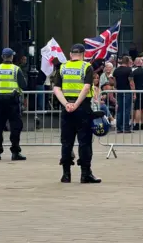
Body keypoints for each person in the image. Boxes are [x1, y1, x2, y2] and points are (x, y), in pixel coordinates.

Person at [52, 44, 101, 183]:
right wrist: (76, 104)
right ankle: (85, 174)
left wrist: (66, 104)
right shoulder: (86, 67)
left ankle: (66, 174)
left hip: (66, 108)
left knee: (66, 142)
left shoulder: (63, 67)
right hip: (82, 108)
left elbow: (56, 89)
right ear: (83, 54)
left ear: (70, 54)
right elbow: (86, 88)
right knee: (84, 142)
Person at [0, 48, 27, 161]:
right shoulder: (16, 69)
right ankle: (15, 152)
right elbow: (24, 85)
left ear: (2, 57)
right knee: (15, 127)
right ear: (12, 57)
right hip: (13, 102)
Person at [112, 56, 133, 133]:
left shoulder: (116, 70)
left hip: (119, 91)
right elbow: (131, 82)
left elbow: (114, 83)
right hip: (127, 91)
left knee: (119, 109)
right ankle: (126, 127)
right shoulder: (129, 70)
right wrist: (134, 93)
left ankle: (119, 128)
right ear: (127, 62)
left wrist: (116, 88)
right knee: (127, 109)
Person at [130, 57, 143, 130]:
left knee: (138, 108)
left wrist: (134, 93)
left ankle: (138, 124)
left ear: (136, 63)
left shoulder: (134, 72)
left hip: (138, 91)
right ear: (141, 63)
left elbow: (132, 83)